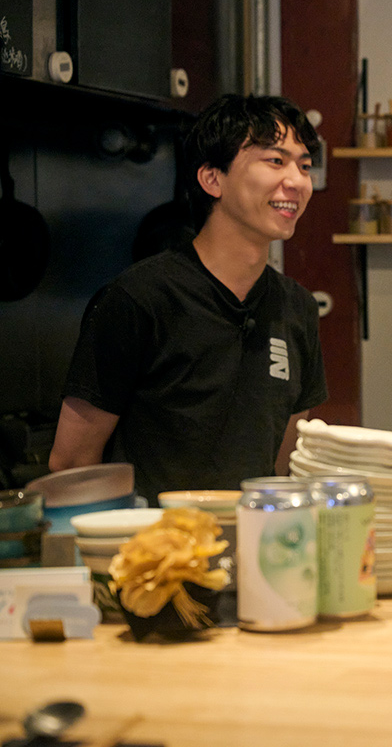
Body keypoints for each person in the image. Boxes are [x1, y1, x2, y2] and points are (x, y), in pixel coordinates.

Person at [48, 94, 327, 501]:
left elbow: (284, 465)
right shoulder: (139, 298)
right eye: (275, 160)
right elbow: (72, 464)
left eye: (303, 165)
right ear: (212, 178)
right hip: (156, 550)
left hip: (253, 547)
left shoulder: (296, 307)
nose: (298, 181)